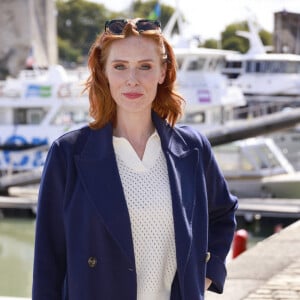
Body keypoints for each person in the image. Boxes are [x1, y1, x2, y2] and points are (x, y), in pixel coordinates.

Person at [32, 18, 238, 300]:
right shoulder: (68, 154)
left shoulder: (192, 149)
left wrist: (202, 277)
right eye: (120, 66)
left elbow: (223, 214)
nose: (132, 79)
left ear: (163, 72)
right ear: (103, 72)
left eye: (145, 66)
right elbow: (48, 260)